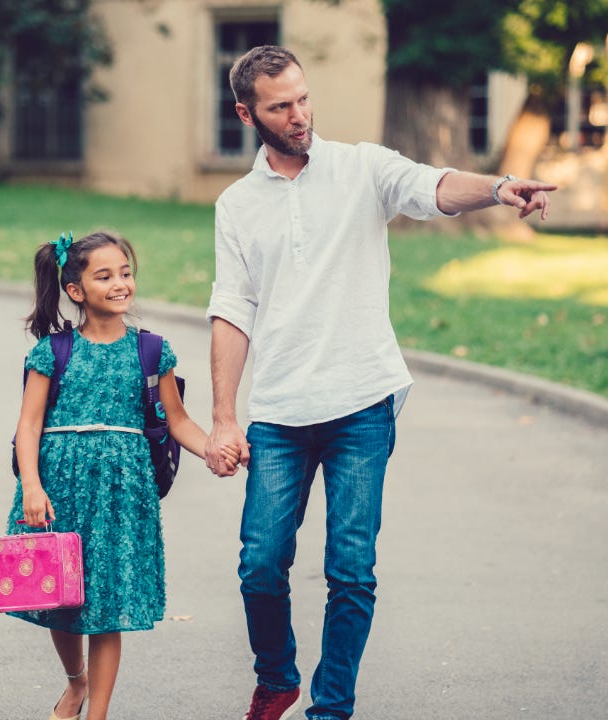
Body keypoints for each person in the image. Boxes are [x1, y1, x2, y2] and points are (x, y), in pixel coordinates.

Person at [203, 46, 557, 720]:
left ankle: (330, 708)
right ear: (248, 114)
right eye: (281, 106)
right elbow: (232, 308)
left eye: (303, 98)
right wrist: (224, 415)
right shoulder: (237, 204)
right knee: (259, 565)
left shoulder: (361, 167)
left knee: (350, 571)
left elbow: (433, 184)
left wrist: (500, 186)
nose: (299, 114)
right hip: (279, 410)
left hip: (362, 403)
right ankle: (276, 676)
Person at [9, 230, 236, 720]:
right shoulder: (53, 351)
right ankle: (75, 683)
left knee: (107, 603)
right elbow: (28, 425)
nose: (120, 283)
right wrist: (32, 485)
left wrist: (213, 450)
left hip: (123, 493)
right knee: (62, 598)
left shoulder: (152, 351)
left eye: (126, 273)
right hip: (60, 488)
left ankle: (98, 714)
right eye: (105, 275)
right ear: (75, 290)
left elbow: (176, 420)